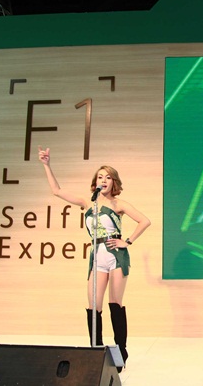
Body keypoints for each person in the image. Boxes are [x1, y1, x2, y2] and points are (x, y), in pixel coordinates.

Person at [38, 146, 151, 369]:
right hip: (97, 256)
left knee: (114, 303)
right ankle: (96, 351)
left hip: (116, 256)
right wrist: (46, 165)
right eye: (100, 177)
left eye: (108, 177)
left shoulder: (119, 204)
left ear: (114, 181)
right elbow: (57, 191)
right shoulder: (88, 202)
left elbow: (144, 221)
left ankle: (121, 353)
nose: (104, 180)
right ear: (95, 181)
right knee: (93, 306)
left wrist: (127, 241)